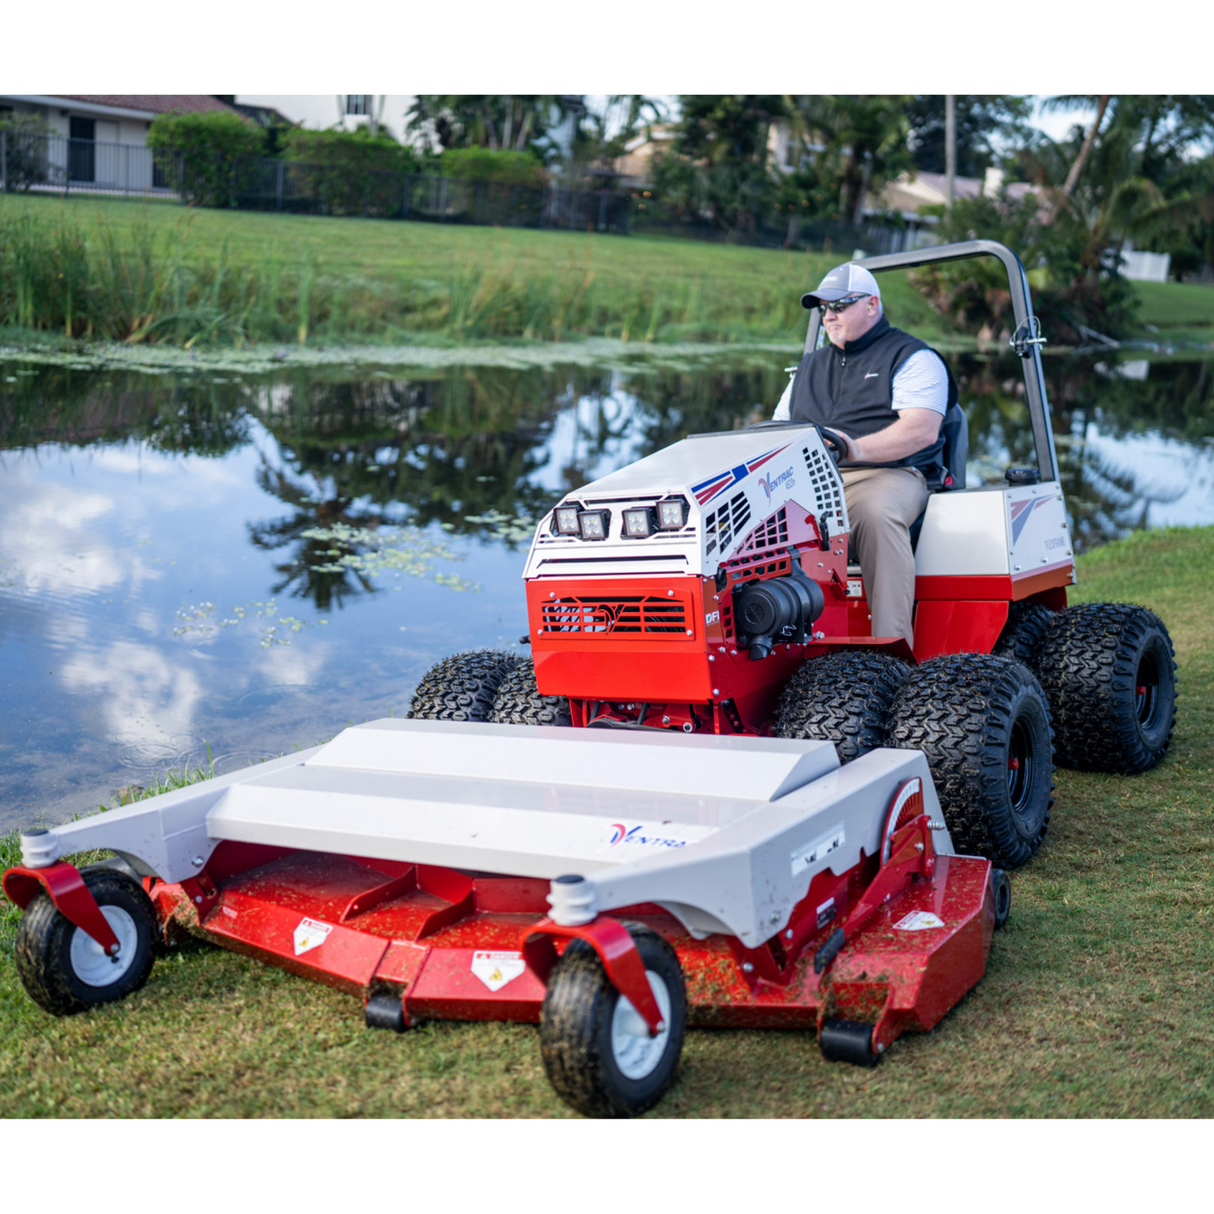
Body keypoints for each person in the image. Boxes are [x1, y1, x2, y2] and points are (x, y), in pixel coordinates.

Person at [772, 263, 957, 648]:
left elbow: (921, 430)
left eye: (840, 305)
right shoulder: (806, 369)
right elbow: (775, 433)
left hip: (888, 475)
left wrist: (855, 448)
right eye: (823, 308)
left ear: (872, 305)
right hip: (809, 483)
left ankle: (891, 653)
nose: (829, 315)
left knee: (876, 515)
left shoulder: (912, 358)